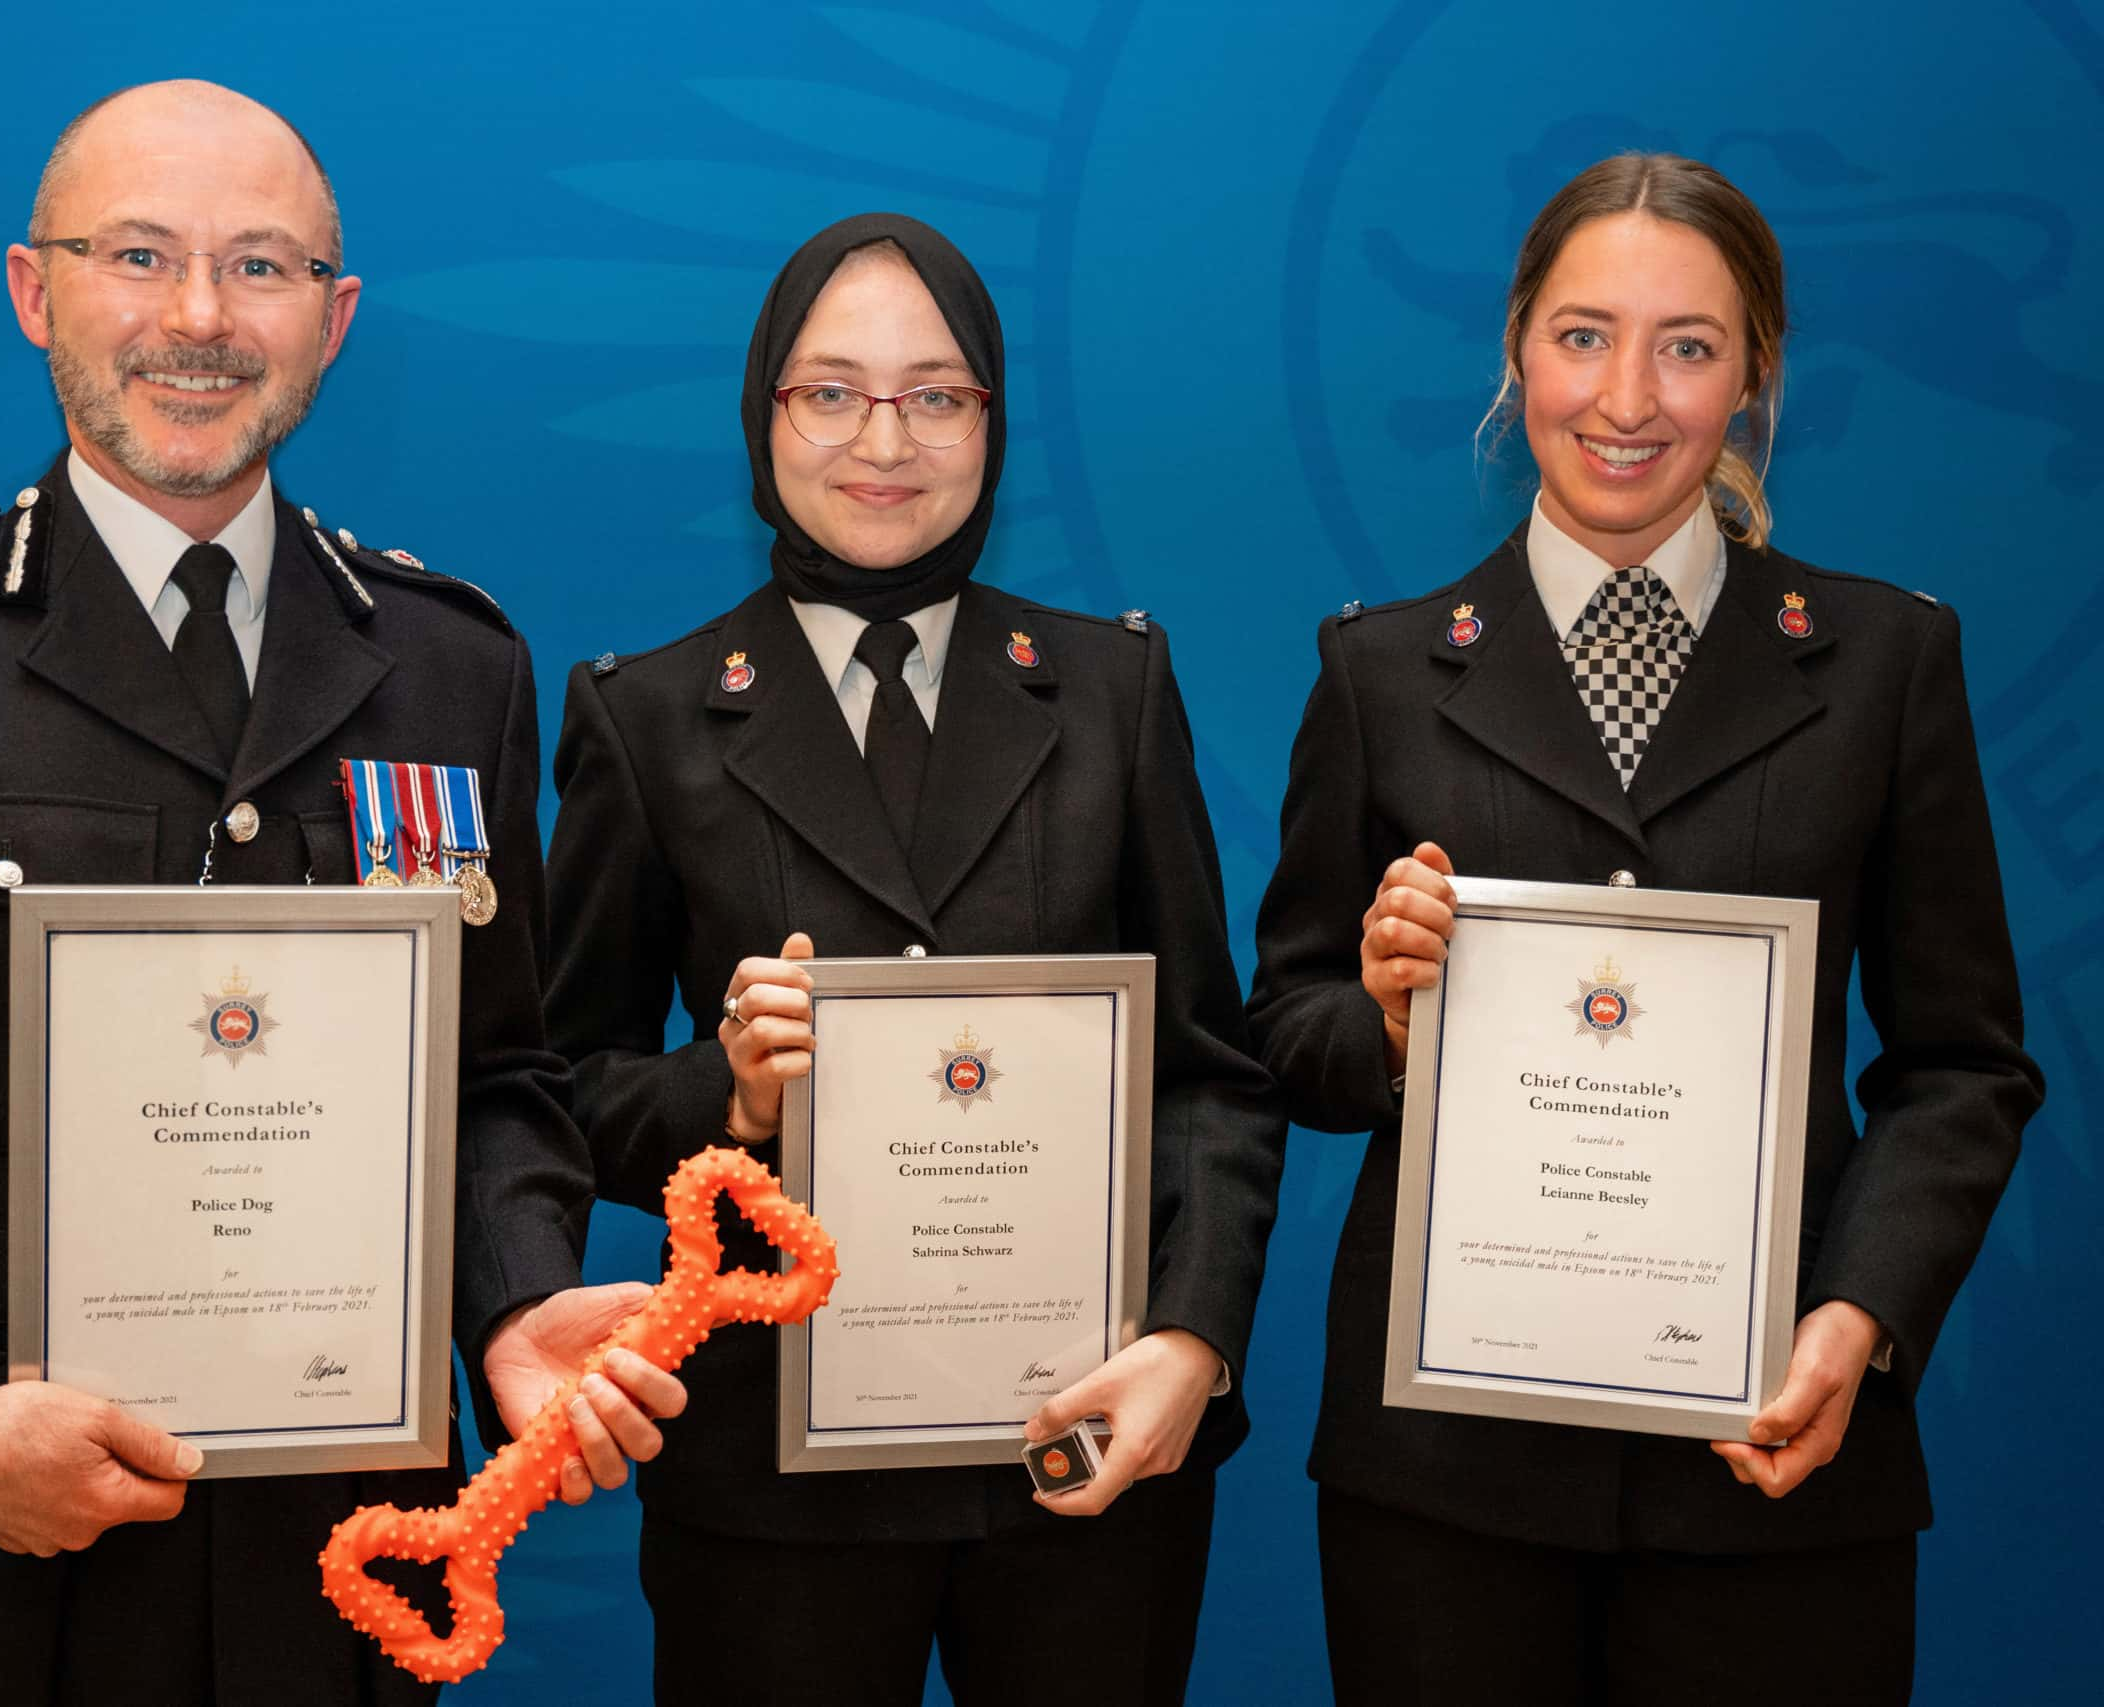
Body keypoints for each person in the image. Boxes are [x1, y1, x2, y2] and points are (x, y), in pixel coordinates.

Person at [0, 80, 680, 1706]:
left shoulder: (456, 670)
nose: (199, 318)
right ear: (36, 291)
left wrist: (514, 1300)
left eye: (260, 268)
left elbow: (494, 1081)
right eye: (140, 254)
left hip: (328, 1587)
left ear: (334, 320)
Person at [1245, 152, 2042, 1703]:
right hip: (1449, 1481)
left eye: (1689, 345)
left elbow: (1962, 1064)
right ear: (1516, 354)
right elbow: (1287, 1038)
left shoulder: (1884, 661)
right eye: (1583, 334)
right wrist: (1389, 1017)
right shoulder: (1381, 672)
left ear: (1754, 378)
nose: (1628, 395)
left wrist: (1860, 1316)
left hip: (1776, 1455)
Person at [543, 211, 1286, 1706]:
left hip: (1085, 1434)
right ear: (765, 412)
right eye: (832, 391)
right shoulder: (653, 712)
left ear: (992, 422)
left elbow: (1212, 1076)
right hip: (773, 1472)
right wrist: (731, 1095)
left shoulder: (1113, 688)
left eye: (936, 395)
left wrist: (1194, 1342)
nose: (885, 438)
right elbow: (563, 1093)